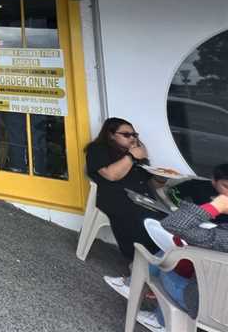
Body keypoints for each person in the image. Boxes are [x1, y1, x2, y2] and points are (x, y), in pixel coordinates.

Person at [144, 164, 228, 329]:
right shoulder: (198, 187)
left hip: (206, 307)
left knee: (166, 259)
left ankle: (161, 321)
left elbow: (173, 224)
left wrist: (215, 206)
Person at [86, 118, 165, 261]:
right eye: (126, 135)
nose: (132, 138)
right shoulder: (98, 149)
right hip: (116, 197)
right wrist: (131, 156)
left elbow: (152, 184)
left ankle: (159, 261)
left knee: (166, 220)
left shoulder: (135, 154)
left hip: (143, 198)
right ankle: (138, 261)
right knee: (141, 219)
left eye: (134, 135)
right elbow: (111, 175)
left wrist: (161, 177)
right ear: (111, 135)